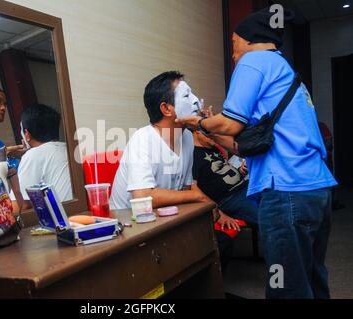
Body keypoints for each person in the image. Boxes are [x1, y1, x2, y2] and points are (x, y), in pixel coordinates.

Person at [177, 8, 337, 299]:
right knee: (312, 275)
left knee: (285, 286)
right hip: (316, 190)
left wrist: (196, 122)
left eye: (234, 46)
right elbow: (244, 144)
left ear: (248, 40)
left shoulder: (253, 62)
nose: (234, 56)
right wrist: (211, 131)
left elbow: (230, 122)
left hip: (286, 190)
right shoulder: (284, 71)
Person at [109, 71, 233, 271]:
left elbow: (185, 189)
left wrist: (206, 204)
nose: (196, 101)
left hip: (163, 222)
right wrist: (198, 197)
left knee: (221, 243)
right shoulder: (143, 139)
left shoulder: (185, 138)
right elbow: (142, 196)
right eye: (186, 96)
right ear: (166, 108)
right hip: (129, 231)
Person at [11, 104, 73, 213]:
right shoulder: (70, 149)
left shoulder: (33, 155)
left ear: (27, 135)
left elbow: (20, 207)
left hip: (62, 222)